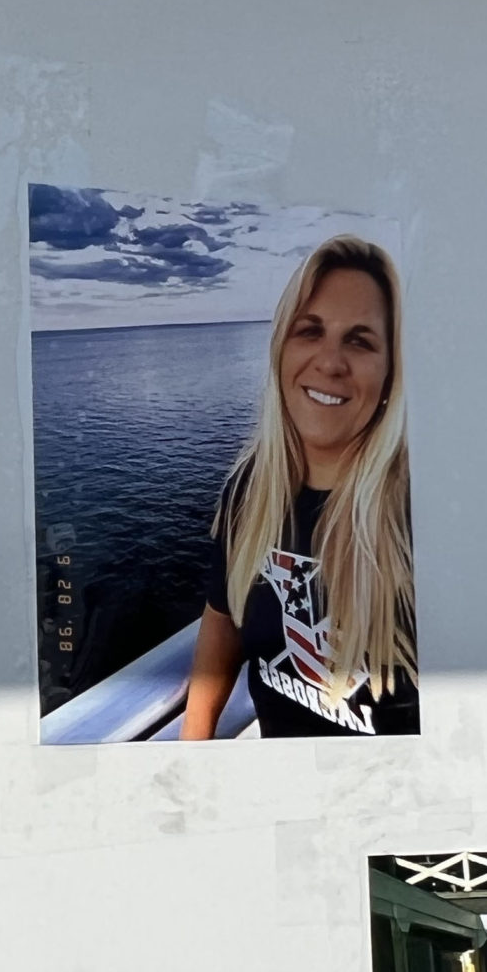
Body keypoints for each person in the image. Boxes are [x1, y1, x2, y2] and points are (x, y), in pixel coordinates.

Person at [183, 237, 417, 736]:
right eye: (309, 331)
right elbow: (221, 623)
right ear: (280, 350)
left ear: (392, 370)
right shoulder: (250, 489)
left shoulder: (421, 509)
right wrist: (190, 750)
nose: (330, 362)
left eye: (360, 341)